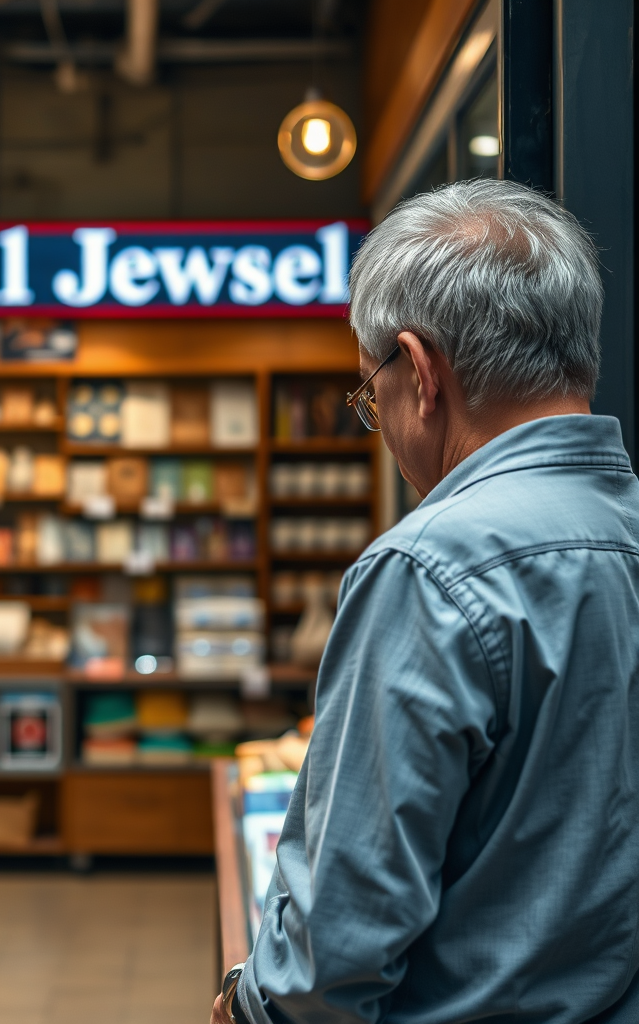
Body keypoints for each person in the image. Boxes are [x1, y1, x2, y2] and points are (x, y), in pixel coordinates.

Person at [214, 179, 639, 1024]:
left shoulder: (429, 567)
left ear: (419, 368)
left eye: (370, 395)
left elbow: (335, 949)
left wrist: (248, 1005)